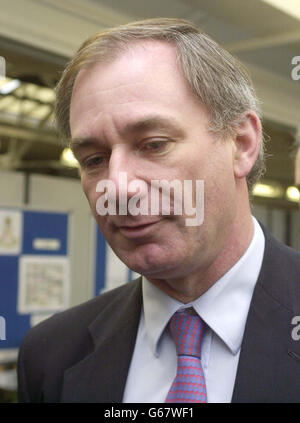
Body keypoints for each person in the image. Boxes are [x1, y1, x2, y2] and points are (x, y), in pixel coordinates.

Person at [17, 18, 300, 403]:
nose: (117, 187)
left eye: (153, 144)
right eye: (95, 159)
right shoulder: (50, 355)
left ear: (241, 143)